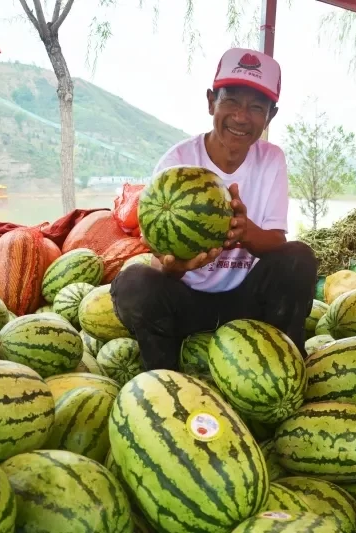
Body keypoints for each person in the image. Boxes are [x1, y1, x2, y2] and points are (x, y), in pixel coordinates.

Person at [111, 48, 317, 371]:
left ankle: (286, 369)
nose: (241, 116)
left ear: (270, 116)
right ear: (211, 102)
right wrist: (178, 265)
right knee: (133, 285)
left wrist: (244, 232)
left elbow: (278, 242)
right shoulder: (176, 164)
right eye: (231, 100)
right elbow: (158, 262)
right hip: (188, 304)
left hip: (248, 304)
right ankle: (165, 380)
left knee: (299, 258)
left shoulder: (271, 160)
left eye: (256, 107)